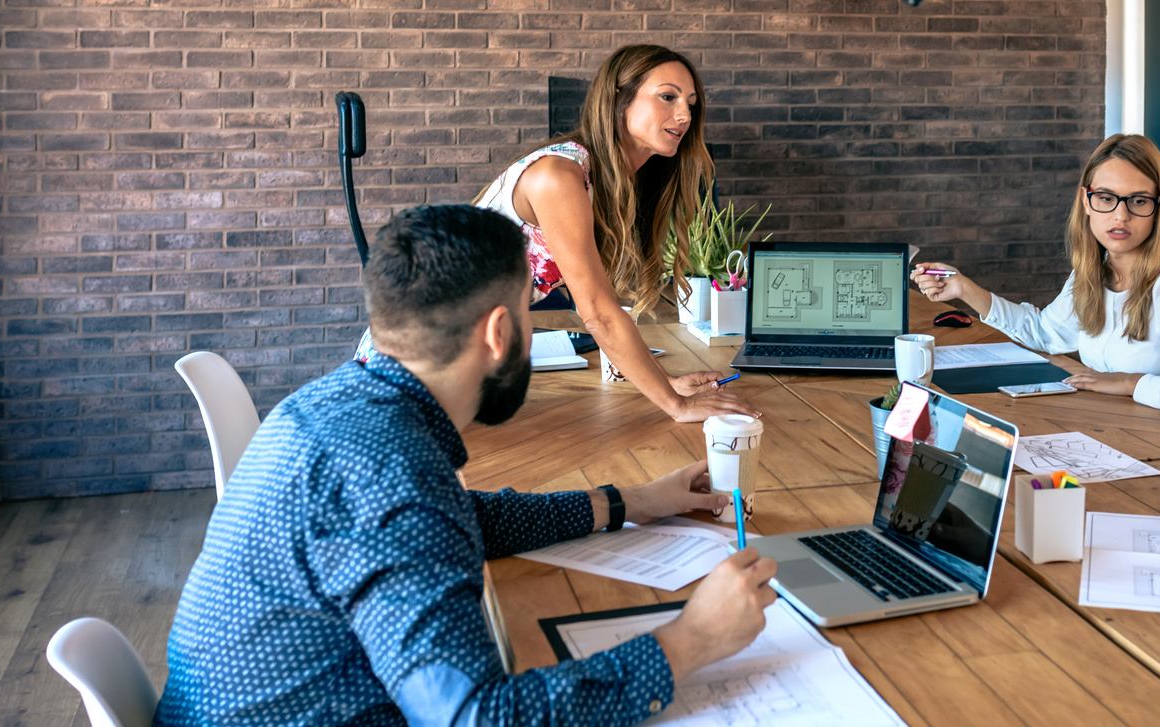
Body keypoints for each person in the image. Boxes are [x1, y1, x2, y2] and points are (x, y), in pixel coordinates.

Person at [155, 205, 779, 726]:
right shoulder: (390, 476)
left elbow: (455, 519)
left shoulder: (338, 401)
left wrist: (630, 503)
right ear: (499, 331)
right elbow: (477, 717)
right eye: (530, 315)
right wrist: (691, 639)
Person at [354, 44, 753, 423]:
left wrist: (667, 385)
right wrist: (676, 405)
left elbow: (604, 307)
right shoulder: (559, 174)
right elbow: (596, 312)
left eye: (691, 103)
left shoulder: (610, 181)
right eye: (668, 97)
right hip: (405, 373)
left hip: (459, 373)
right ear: (619, 97)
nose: (684, 114)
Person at [912, 133, 1160, 422]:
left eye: (1138, 201)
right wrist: (963, 288)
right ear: (1087, 201)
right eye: (1106, 198)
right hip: (1107, 422)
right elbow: (1043, 333)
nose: (1120, 216)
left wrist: (1130, 383)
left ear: (1159, 207)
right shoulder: (1095, 270)